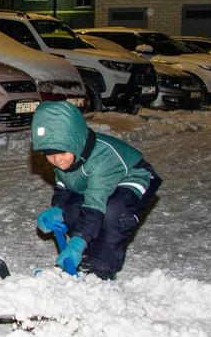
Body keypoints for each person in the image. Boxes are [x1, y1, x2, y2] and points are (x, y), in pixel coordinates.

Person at [30, 100, 162, 279]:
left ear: (75, 142)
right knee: (72, 211)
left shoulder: (101, 159)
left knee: (113, 212)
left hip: (134, 178)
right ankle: (87, 256)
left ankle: (102, 267)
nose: (57, 160)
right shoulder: (66, 156)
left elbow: (95, 204)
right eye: (49, 154)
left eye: (62, 153)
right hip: (95, 183)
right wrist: (58, 208)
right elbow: (64, 186)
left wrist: (78, 242)